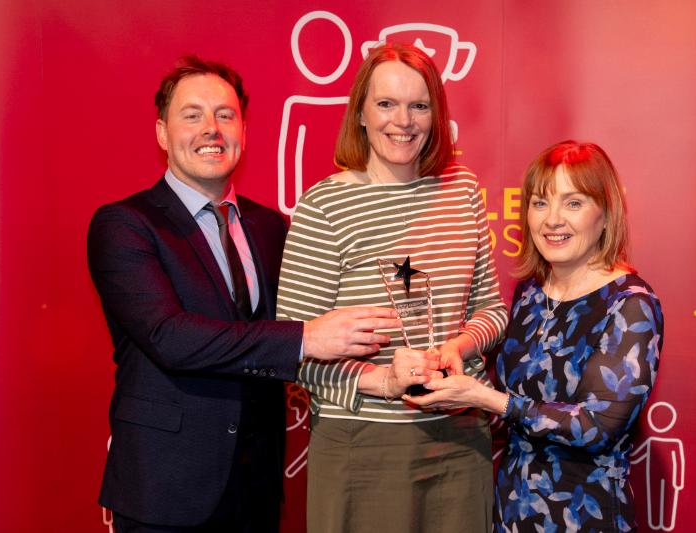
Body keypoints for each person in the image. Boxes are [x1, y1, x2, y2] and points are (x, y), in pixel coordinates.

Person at [87, 55, 400, 533]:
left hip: (256, 483)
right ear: (162, 134)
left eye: (225, 115)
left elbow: (300, 320)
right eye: (192, 115)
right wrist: (303, 339)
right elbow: (168, 336)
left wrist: (378, 374)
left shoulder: (271, 226)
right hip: (165, 487)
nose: (211, 129)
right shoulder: (125, 225)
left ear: (243, 130)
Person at [276, 43, 508, 533]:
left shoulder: (461, 189)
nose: (403, 121)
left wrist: (457, 347)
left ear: (436, 115)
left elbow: (491, 308)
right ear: (360, 112)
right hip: (364, 445)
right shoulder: (324, 206)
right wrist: (383, 382)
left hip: (460, 437)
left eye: (419, 105)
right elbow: (290, 351)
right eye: (386, 104)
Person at [406, 140, 664, 531]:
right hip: (512, 509)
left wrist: (485, 397)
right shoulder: (531, 292)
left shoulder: (630, 304)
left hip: (584, 514)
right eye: (540, 203)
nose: (552, 220)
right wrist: (451, 388)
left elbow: (599, 425)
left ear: (607, 214)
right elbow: (517, 406)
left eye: (573, 203)